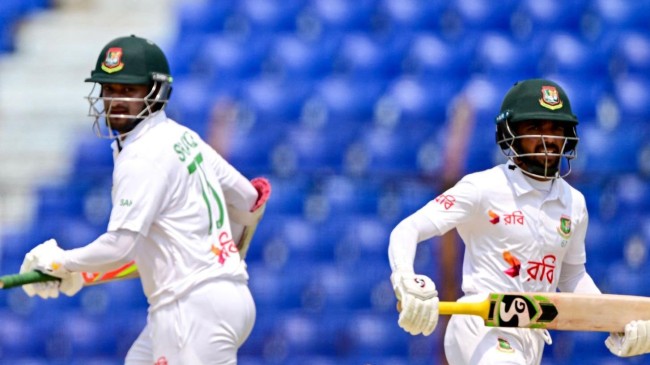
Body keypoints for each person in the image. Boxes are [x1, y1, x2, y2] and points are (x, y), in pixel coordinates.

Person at [19, 35, 260, 364]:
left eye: (128, 90)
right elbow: (248, 198)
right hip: (225, 300)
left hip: (190, 309)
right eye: (109, 89)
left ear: (155, 92)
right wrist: (225, 252)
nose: (115, 100)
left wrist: (64, 262)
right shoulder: (182, 136)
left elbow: (121, 246)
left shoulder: (142, 157)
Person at [388, 78, 650, 364]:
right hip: (480, 326)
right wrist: (405, 279)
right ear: (509, 133)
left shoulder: (574, 203)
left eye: (556, 129)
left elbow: (571, 275)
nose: (548, 138)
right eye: (534, 127)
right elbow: (407, 229)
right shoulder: (483, 187)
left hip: (532, 338)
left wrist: (615, 322)